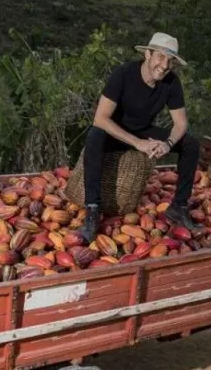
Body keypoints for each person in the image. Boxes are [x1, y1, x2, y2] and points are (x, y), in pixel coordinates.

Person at [79, 32, 202, 243]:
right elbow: (100, 118)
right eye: (160, 57)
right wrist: (138, 144)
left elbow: (181, 123)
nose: (164, 65)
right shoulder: (123, 74)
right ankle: (92, 208)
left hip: (144, 129)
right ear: (147, 54)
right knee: (94, 136)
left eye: (170, 61)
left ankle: (178, 206)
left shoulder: (171, 82)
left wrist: (168, 143)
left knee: (190, 144)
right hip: (115, 129)